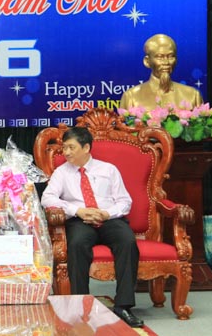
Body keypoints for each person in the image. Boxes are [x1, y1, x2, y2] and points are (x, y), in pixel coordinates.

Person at [40, 126, 144, 328]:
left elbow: (125, 201)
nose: (66, 152)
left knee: (127, 241)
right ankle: (80, 305)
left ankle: (124, 306)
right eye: (64, 148)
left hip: (109, 218)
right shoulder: (61, 172)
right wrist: (77, 210)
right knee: (77, 244)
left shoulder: (108, 170)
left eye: (71, 147)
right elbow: (47, 198)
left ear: (86, 147)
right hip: (79, 220)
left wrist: (106, 213)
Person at [120, 33, 203, 110]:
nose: (166, 62)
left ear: (176, 59)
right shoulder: (131, 97)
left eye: (171, 56)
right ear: (147, 61)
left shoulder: (192, 95)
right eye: (159, 57)